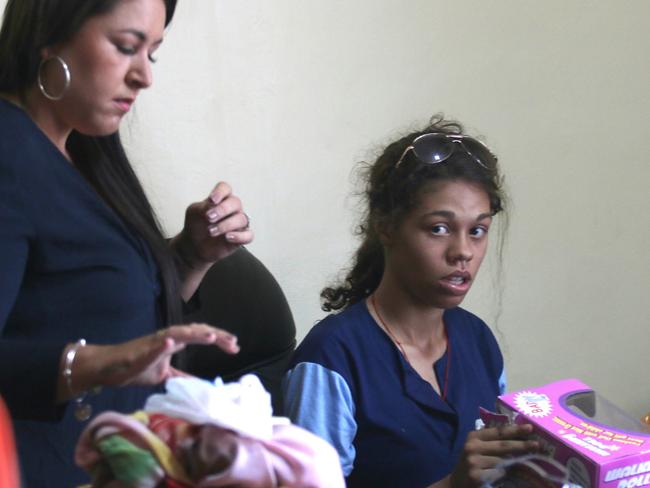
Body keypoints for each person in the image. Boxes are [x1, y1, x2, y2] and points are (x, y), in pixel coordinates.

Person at [0, 0, 253, 485]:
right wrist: (98, 362)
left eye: (151, 54)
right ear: (49, 34)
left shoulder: (85, 153)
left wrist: (190, 256)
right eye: (125, 47)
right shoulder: (8, 154)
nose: (144, 76)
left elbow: (102, 312)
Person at [282, 116, 539, 487]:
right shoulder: (332, 358)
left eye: (477, 230)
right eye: (439, 228)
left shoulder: (479, 341)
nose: (463, 252)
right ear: (385, 226)